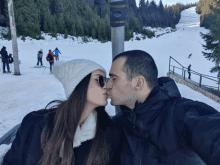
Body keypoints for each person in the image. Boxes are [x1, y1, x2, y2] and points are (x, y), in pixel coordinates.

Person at [106, 50, 220, 165]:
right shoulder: (117, 125)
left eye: (114, 79)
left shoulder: (183, 113)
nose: (107, 85)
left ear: (138, 83)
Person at [2, 59, 122, 165]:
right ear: (78, 84)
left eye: (106, 80)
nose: (107, 86)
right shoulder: (36, 124)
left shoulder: (109, 131)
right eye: (100, 80)